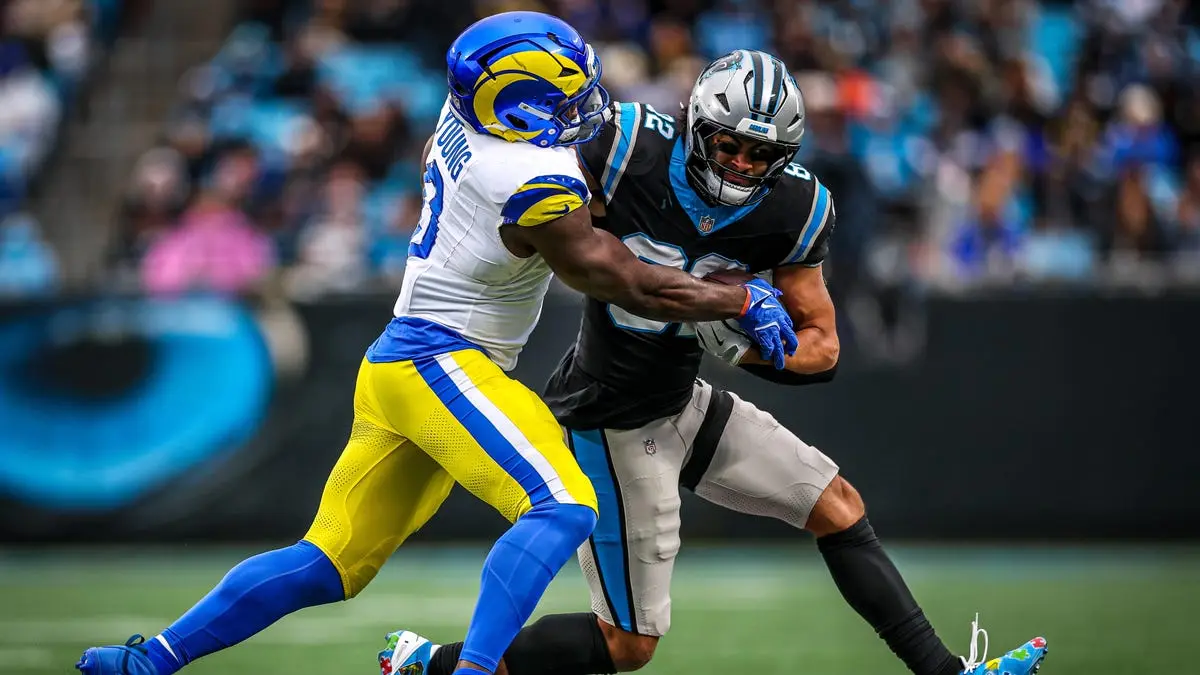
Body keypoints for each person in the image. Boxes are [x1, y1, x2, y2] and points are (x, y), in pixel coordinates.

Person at [75, 16, 800, 675]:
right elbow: (622, 281)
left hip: (401, 360)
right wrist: (738, 297)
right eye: (565, 95)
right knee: (562, 506)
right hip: (442, 359)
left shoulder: (463, 119)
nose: (584, 104)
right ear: (516, 108)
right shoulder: (529, 174)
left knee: (327, 564)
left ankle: (148, 661)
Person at [381, 49, 1048, 675]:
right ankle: (430, 662)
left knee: (838, 505)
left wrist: (750, 346)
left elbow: (824, 347)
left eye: (759, 154)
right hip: (610, 418)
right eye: (727, 145)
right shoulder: (624, 146)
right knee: (628, 644)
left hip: (685, 401)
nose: (738, 164)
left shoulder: (797, 207)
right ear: (694, 125)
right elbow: (534, 191)